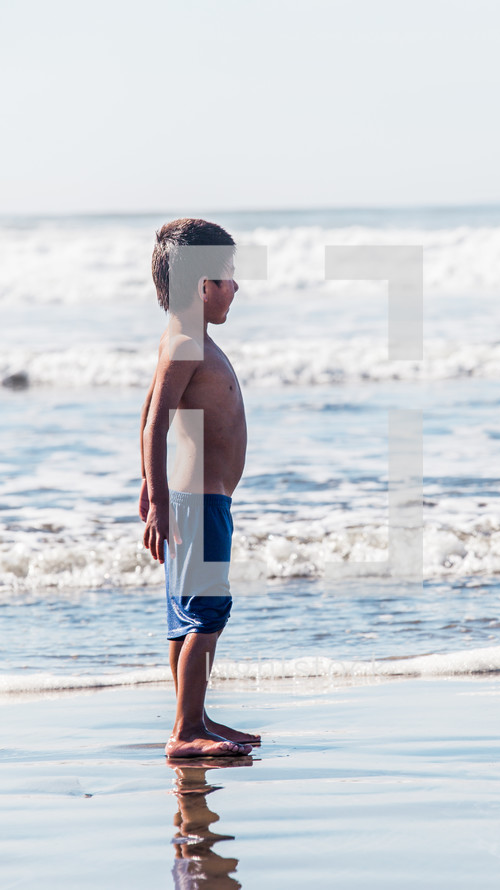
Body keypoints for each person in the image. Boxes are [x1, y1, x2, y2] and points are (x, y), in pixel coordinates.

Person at [140, 218, 260, 757]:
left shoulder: (184, 341)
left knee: (186, 617)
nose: (236, 287)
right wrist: (160, 501)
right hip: (198, 502)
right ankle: (186, 731)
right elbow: (156, 422)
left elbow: (148, 408)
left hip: (197, 500)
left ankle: (196, 717)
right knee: (207, 613)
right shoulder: (187, 343)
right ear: (202, 286)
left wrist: (151, 490)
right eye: (229, 276)